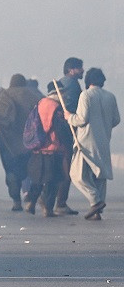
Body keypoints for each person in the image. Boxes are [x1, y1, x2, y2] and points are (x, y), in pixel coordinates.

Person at [65, 67, 120, 220]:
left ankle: (95, 200)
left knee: (76, 174)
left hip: (86, 141)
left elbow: (81, 119)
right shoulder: (111, 96)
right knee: (100, 175)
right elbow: (116, 120)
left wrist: (69, 117)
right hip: (103, 139)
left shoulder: (86, 95)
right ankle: (97, 211)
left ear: (88, 81)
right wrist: (103, 125)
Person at [0, 74, 43, 211]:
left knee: (11, 170)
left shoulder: (3, 96)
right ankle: (32, 196)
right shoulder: (32, 95)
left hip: (7, 141)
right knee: (31, 169)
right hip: (29, 141)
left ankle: (16, 200)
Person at [24, 81, 74, 217]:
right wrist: (69, 142)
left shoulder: (40, 104)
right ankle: (48, 208)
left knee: (38, 179)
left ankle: (31, 202)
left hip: (39, 148)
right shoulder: (57, 108)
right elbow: (60, 130)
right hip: (54, 149)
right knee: (54, 181)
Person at [52, 57, 86, 215]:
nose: (82, 71)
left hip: (57, 132)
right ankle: (61, 203)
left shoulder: (62, 82)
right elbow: (71, 108)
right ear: (71, 70)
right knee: (66, 167)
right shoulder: (72, 84)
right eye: (80, 68)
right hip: (66, 130)